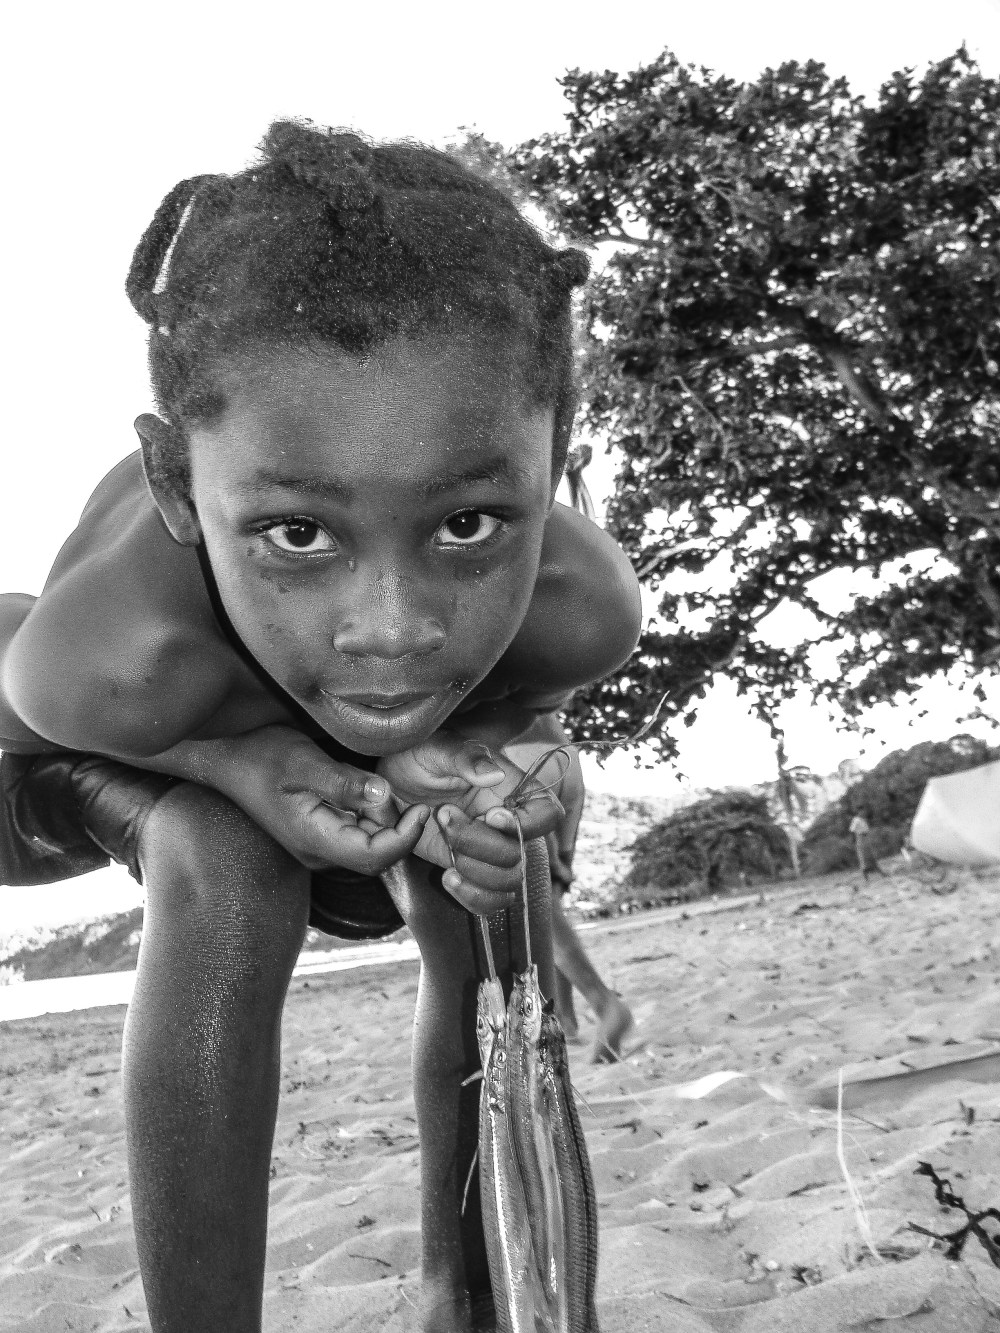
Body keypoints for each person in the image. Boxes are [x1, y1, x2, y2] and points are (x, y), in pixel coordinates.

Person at [0, 122, 642, 1333]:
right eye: (299, 534)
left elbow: (532, 729)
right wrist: (228, 757)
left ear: (558, 457)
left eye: (465, 526)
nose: (392, 629)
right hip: (49, 767)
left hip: (310, 771)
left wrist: (533, 778)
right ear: (183, 488)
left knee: (484, 871)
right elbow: (34, 704)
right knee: (230, 866)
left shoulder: (580, 609)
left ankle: (474, 1299)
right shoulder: (112, 656)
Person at [506, 713, 635, 1063]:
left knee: (536, 904)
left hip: (515, 757)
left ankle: (605, 1003)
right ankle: (566, 1020)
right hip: (564, 756)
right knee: (551, 897)